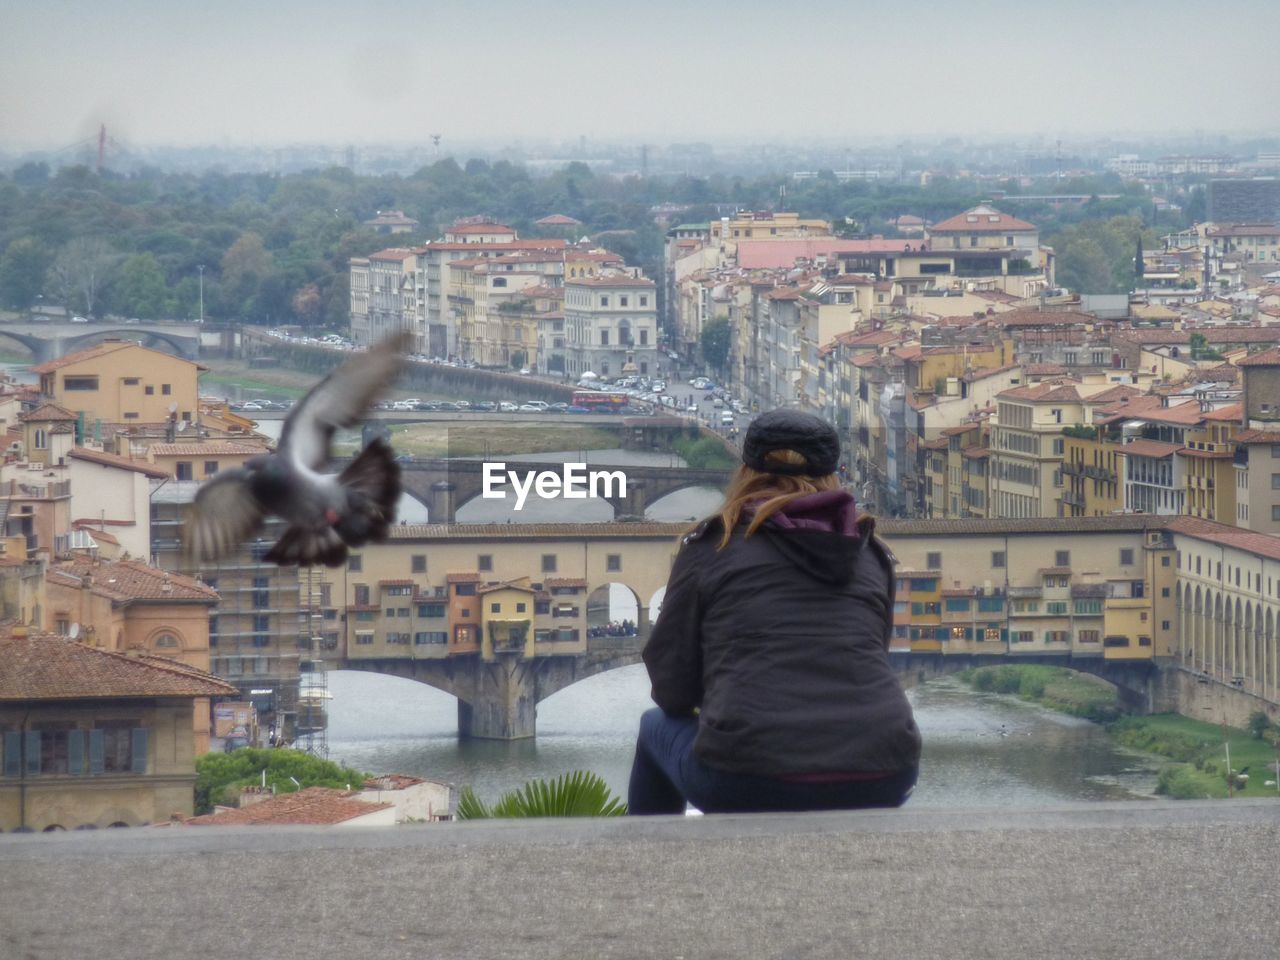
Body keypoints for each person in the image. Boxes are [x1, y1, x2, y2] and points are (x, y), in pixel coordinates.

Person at [627, 409, 921, 815]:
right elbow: (869, 655)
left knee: (653, 728)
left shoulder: (712, 547)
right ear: (834, 473)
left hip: (747, 778)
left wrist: (728, 702)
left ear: (746, 469)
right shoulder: (870, 553)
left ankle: (649, 872)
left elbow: (672, 686)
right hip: (886, 770)